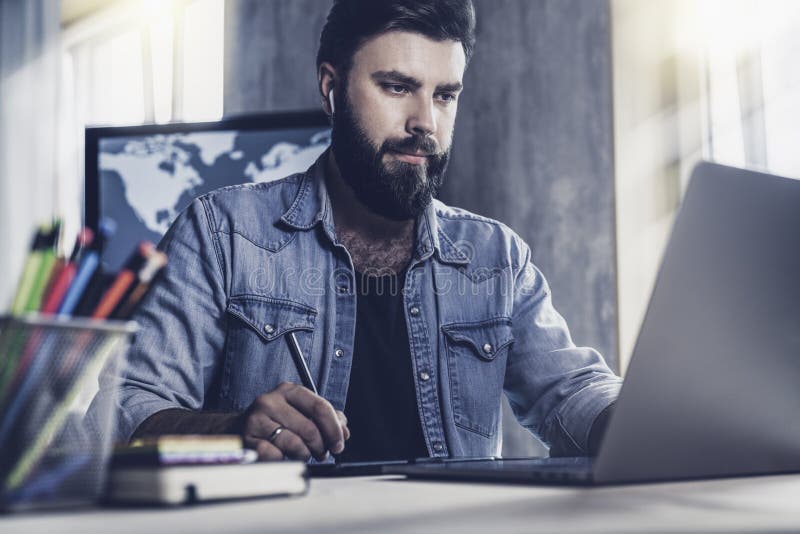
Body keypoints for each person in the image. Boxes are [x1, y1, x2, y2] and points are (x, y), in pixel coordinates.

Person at [111, 0, 621, 462]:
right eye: (398, 87)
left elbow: (570, 393)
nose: (426, 121)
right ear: (331, 88)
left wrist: (645, 421)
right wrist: (233, 431)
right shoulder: (222, 235)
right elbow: (130, 412)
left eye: (445, 95)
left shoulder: (497, 258)